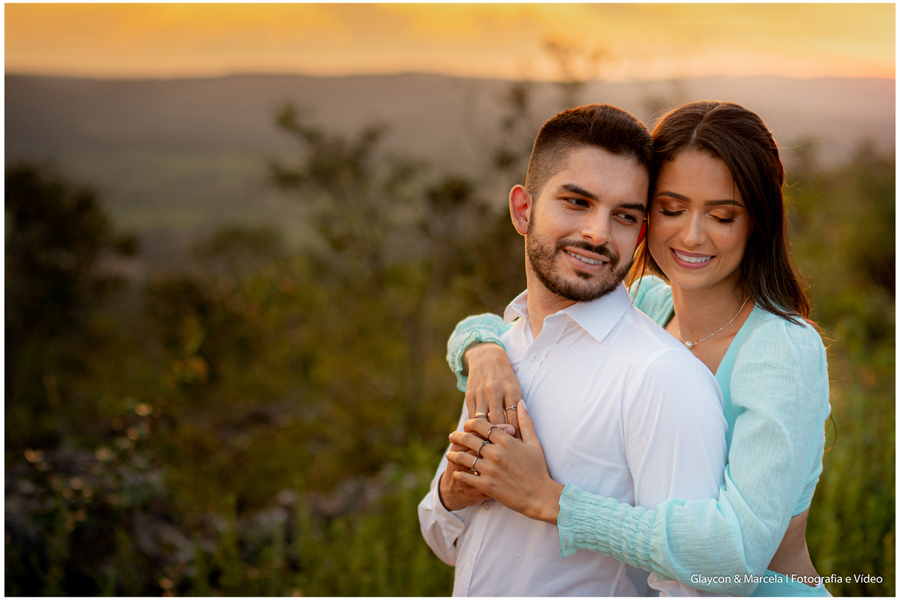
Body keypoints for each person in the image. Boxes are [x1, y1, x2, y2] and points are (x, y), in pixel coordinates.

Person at [444, 100, 832, 596]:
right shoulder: (649, 304)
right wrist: (481, 349)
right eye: (672, 209)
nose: (691, 235)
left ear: (756, 222)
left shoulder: (782, 348)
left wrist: (556, 502)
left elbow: (737, 555)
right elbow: (523, 322)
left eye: (722, 215)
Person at [418, 103, 728, 596]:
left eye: (624, 216)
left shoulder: (661, 377)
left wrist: (552, 499)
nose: (599, 233)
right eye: (578, 202)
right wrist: (454, 492)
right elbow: (446, 539)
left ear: (640, 234)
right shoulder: (503, 351)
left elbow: (701, 585)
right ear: (524, 210)